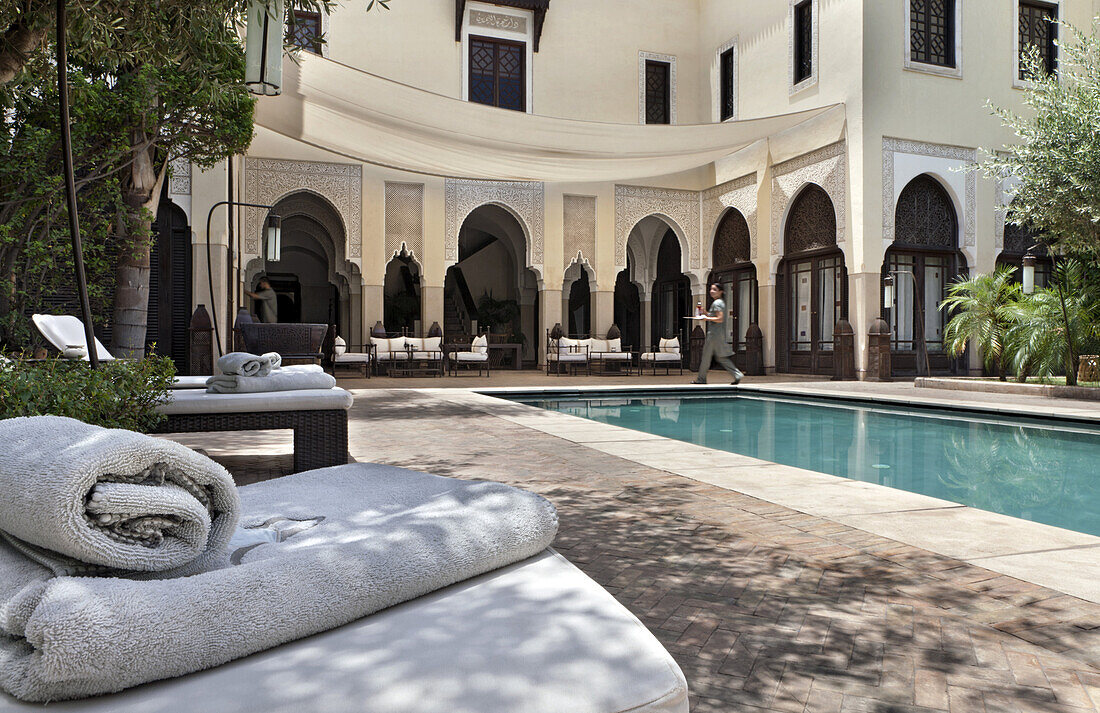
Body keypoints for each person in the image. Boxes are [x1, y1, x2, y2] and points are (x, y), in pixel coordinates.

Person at [692, 282, 743, 385]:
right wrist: (705, 312)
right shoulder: (719, 302)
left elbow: (720, 319)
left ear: (720, 292)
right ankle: (737, 374)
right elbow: (715, 316)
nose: (711, 291)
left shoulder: (717, 303)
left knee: (706, 357)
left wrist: (706, 318)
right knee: (721, 357)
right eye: (711, 289)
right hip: (718, 334)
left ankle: (701, 379)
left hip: (713, 334)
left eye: (714, 289)